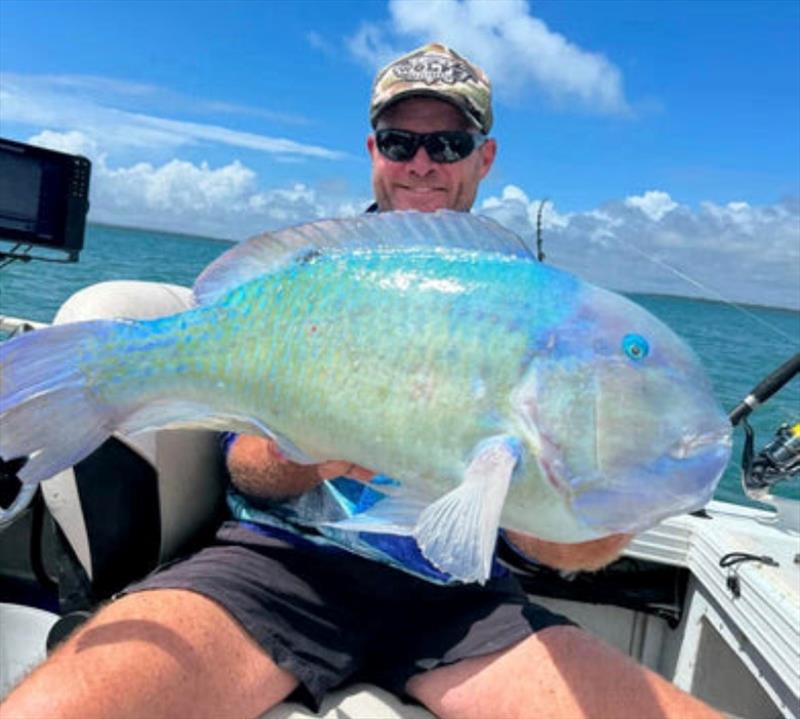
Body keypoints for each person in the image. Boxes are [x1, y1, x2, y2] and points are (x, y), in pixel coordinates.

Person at [1, 43, 722, 719]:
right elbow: (246, 469)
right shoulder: (313, 280)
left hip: (461, 604)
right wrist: (326, 448)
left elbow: (561, 550)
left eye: (448, 144)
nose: (422, 164)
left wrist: (604, 494)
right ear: (375, 150)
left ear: (484, 157)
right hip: (280, 568)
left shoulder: (524, 300)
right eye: (401, 141)